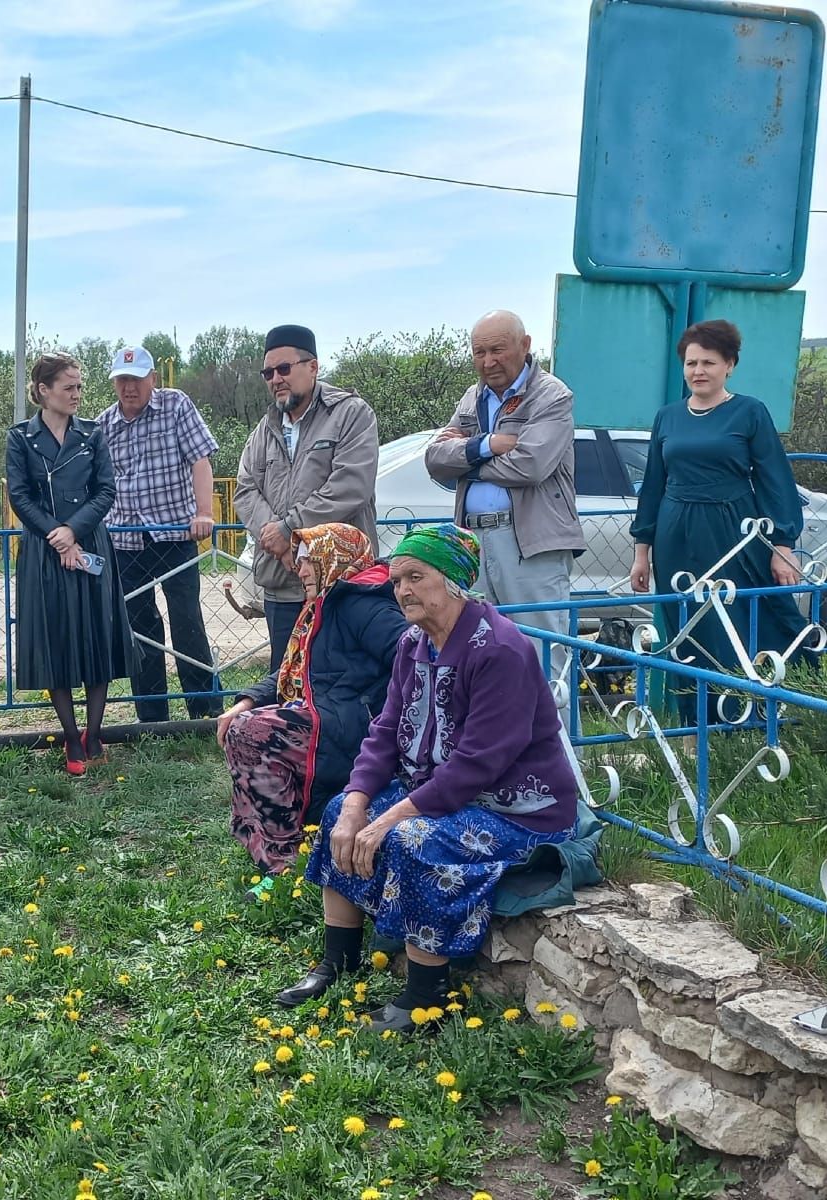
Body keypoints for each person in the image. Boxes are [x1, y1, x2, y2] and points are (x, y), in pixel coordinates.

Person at [276, 524, 577, 1031]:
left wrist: (387, 818)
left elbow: (479, 765)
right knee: (337, 813)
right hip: (437, 791)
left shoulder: (499, 650)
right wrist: (355, 804)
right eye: (397, 581)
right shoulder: (415, 642)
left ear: (455, 582)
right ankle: (340, 959)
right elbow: (386, 730)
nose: (403, 591)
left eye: (416, 577)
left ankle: (425, 997)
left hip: (513, 807)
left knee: (416, 840)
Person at [629, 319, 809, 720]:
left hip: (734, 533)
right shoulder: (668, 417)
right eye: (691, 363)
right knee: (687, 628)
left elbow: (775, 480)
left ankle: (755, 720)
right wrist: (642, 551)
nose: (698, 371)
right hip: (675, 537)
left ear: (730, 364)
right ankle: (695, 727)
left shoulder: (749, 412)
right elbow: (654, 486)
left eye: (708, 362)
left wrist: (782, 545)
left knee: (738, 621)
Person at [217, 523, 406, 894]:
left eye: (306, 561)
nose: (298, 569)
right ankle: (281, 849)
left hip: (354, 725)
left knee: (253, 732)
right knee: (244, 722)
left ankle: (283, 862)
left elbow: (411, 653)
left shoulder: (359, 604)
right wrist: (246, 699)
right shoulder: (327, 601)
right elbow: (295, 667)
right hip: (329, 715)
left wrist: (373, 704)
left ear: (330, 558)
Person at [424, 310, 583, 690]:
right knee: (481, 653)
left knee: (541, 653)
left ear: (525, 346)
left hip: (529, 543)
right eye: (479, 352)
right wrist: (487, 445)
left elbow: (531, 465)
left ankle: (556, 748)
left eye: (497, 349)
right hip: (473, 542)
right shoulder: (472, 396)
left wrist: (468, 462)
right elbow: (433, 459)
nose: (488, 361)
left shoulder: (551, 394)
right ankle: (499, 747)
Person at [6, 353, 136, 775]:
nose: (78, 394)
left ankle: (94, 734)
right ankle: (70, 736)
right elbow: (20, 494)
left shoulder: (92, 434)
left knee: (97, 635)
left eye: (80, 386)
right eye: (69, 387)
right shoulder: (21, 438)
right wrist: (55, 534)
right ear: (44, 391)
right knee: (54, 640)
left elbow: (105, 490)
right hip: (44, 551)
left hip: (88, 541)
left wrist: (75, 530)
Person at [235, 324, 379, 672]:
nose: (276, 379)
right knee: (285, 683)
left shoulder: (351, 414)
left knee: (343, 684)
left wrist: (291, 529)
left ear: (312, 367)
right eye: (268, 372)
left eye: (284, 368)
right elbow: (245, 489)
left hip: (339, 581)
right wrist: (278, 539)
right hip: (282, 584)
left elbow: (350, 486)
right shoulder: (265, 427)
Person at [97, 345, 222, 723]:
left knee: (187, 620)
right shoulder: (103, 424)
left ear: (153, 378)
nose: (128, 387)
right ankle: (152, 719)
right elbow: (97, 483)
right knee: (140, 628)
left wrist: (204, 512)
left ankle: (204, 710)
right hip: (126, 539)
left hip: (174, 533)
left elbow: (200, 458)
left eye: (136, 379)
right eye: (121, 380)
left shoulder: (176, 405)